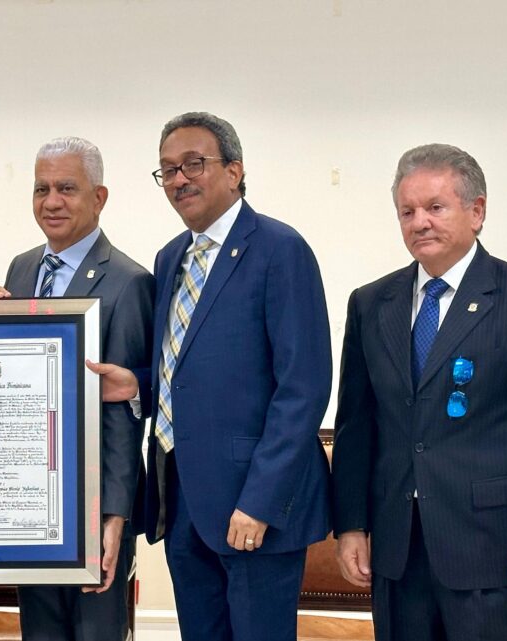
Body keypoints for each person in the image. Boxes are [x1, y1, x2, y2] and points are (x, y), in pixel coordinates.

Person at [88, 112, 333, 641]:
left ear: (234, 171)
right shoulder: (171, 256)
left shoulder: (279, 249)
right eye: (167, 170)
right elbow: (189, 370)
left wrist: (259, 501)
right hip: (182, 505)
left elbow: (304, 388)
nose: (179, 179)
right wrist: (137, 384)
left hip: (253, 509)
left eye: (193, 164)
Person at [332, 143, 507, 641]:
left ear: (477, 211)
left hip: (494, 552)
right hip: (397, 552)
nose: (419, 222)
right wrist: (350, 526)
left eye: (435, 207)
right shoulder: (370, 303)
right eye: (407, 212)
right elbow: (356, 426)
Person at [0, 136, 154, 641]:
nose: (51, 201)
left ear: (99, 198)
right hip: (30, 502)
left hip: (92, 506)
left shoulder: (128, 282)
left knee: (96, 632)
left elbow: (125, 411)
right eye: (41, 189)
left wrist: (114, 517)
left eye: (67, 188)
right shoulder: (21, 268)